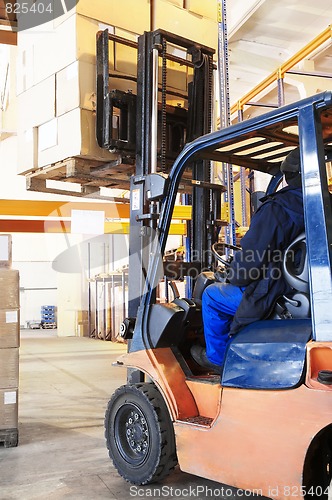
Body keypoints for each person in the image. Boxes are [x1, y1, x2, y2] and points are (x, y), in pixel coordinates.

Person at [191, 147, 305, 373]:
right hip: (300, 285)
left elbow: (249, 267)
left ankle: (218, 359)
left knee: (211, 294)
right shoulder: (322, 205)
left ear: (289, 176)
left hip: (277, 290)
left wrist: (232, 275)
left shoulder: (277, 208)